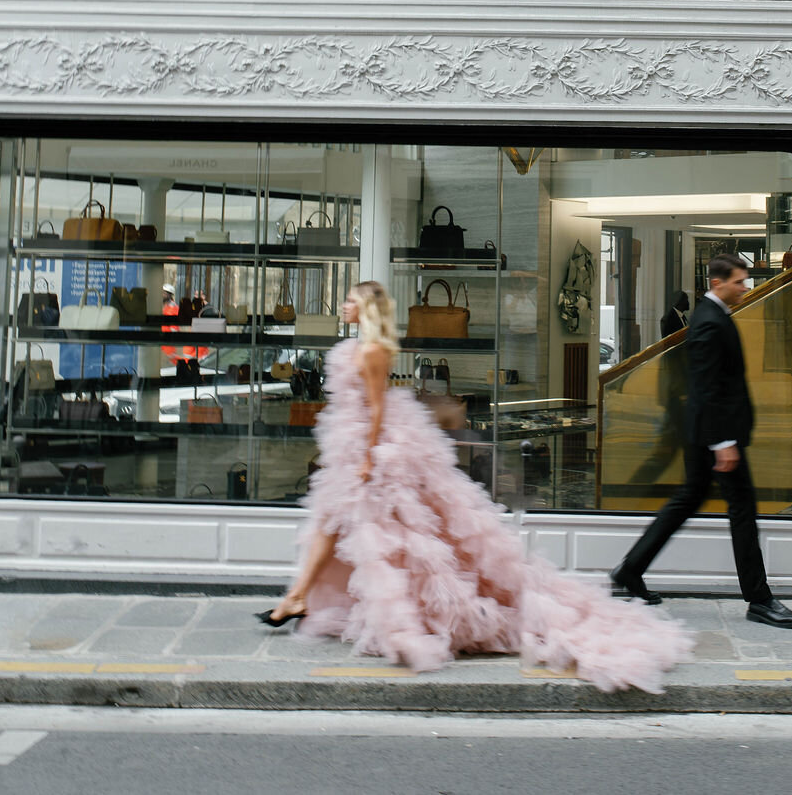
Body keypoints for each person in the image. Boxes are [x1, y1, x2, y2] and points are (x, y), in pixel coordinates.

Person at [257, 281, 692, 693]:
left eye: (351, 301)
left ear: (366, 309)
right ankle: (297, 597)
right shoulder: (357, 346)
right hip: (352, 446)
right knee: (335, 526)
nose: (345, 306)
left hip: (373, 450)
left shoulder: (372, 351)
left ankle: (300, 598)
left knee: (368, 532)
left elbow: (375, 408)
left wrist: (369, 456)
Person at [610, 255, 792, 630]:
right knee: (742, 511)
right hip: (715, 437)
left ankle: (630, 570)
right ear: (717, 283)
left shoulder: (710, 316)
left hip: (707, 433)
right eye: (738, 282)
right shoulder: (709, 321)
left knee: (687, 500)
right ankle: (760, 600)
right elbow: (705, 387)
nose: (745, 288)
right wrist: (723, 443)